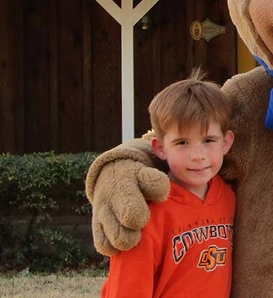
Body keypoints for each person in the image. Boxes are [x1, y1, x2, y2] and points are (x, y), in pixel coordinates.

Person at [101, 69, 236, 298]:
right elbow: (127, 288)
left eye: (208, 140)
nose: (198, 155)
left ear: (226, 142)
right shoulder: (147, 212)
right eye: (182, 142)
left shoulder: (229, 196)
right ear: (160, 147)